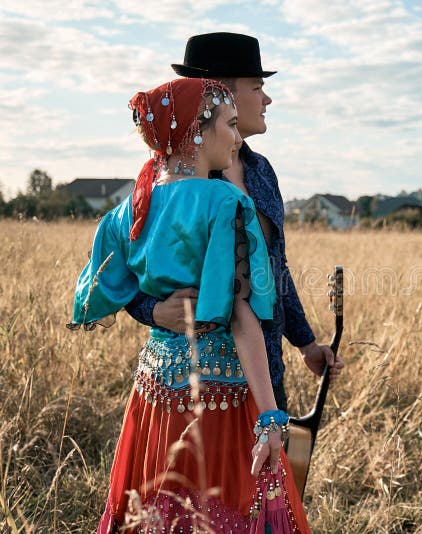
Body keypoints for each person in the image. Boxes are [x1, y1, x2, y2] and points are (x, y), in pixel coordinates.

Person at [68, 78, 311, 533]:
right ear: (199, 133)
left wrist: (154, 310)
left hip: (153, 391)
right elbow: (242, 314)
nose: (237, 139)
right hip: (221, 393)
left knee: (158, 507)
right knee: (226, 508)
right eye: (231, 126)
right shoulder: (227, 202)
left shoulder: (128, 211)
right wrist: (270, 416)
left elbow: (104, 289)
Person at [124, 33, 344, 412]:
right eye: (258, 87)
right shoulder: (172, 181)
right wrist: (153, 311)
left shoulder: (261, 171)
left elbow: (274, 269)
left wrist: (306, 344)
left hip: (265, 376)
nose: (267, 99)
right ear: (222, 94)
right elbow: (121, 266)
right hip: (193, 383)